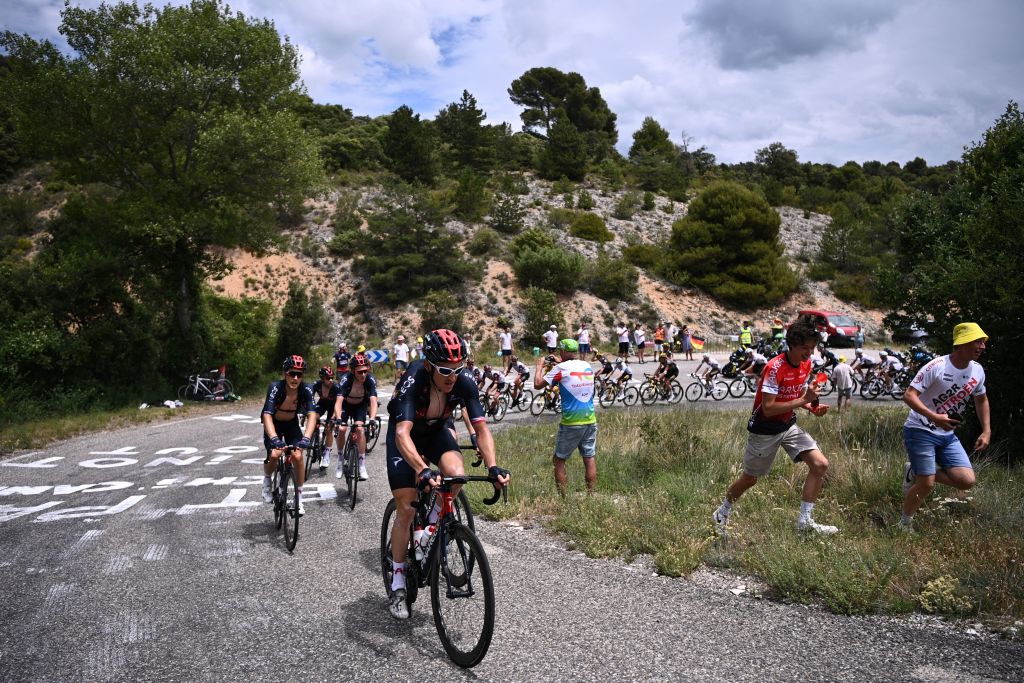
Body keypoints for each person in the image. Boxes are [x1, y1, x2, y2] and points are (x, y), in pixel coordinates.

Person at [385, 329, 510, 619]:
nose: (452, 376)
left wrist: (493, 467)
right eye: (445, 370)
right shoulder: (414, 378)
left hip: (435, 432)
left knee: (457, 475)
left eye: (458, 368)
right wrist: (422, 469)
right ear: (428, 364)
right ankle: (399, 581)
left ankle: (430, 526)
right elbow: (402, 433)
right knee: (406, 506)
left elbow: (481, 429)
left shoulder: (463, 382)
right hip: (405, 437)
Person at [713, 315, 838, 535]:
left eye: (812, 347)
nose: (809, 353)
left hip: (787, 425)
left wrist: (811, 407)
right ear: (792, 345)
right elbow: (769, 408)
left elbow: (796, 392)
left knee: (820, 465)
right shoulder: (774, 367)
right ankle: (722, 513)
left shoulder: (806, 364)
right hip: (765, 429)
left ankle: (804, 523)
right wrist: (804, 400)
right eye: (804, 348)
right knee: (750, 479)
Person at [899, 323, 990, 531]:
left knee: (966, 481)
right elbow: (909, 395)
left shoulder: (977, 370)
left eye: (983, 342)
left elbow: (981, 399)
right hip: (920, 429)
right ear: (962, 343)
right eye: (978, 341)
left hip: (947, 434)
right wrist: (933, 416)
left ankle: (916, 470)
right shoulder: (937, 366)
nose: (982, 346)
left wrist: (986, 430)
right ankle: (904, 524)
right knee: (927, 483)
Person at [534, 339, 597, 496]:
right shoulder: (586, 365)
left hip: (571, 422)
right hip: (590, 419)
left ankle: (563, 498)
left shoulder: (560, 368)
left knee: (559, 460)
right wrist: (559, 362)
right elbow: (571, 368)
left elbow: (537, 384)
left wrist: (539, 367)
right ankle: (591, 495)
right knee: (589, 458)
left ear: (562, 351)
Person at [261, 355, 318, 516]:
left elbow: (312, 414)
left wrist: (306, 437)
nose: (295, 378)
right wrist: (274, 439)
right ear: (285, 373)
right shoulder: (275, 387)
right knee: (275, 453)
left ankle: (299, 498)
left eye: (299, 374)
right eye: (292, 373)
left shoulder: (306, 389)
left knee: (298, 456)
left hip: (292, 424)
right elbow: (267, 415)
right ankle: (267, 480)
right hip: (274, 423)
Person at [333, 353, 379, 481]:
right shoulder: (346, 379)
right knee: (342, 429)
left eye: (365, 371)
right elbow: (338, 402)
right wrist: (337, 419)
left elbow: (373, 401)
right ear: (353, 371)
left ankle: (362, 464)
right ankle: (340, 459)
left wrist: (372, 419)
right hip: (346, 405)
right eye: (360, 372)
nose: (363, 374)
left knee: (360, 429)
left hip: (360, 405)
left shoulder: (370, 380)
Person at [311, 366, 340, 472]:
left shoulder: (336, 387)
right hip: (322, 404)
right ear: (322, 378)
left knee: (328, 429)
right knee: (313, 418)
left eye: (332, 377)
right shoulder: (317, 385)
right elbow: (310, 398)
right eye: (328, 378)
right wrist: (308, 412)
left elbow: (339, 404)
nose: (331, 380)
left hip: (333, 407)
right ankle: (315, 440)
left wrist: (333, 418)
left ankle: (327, 453)